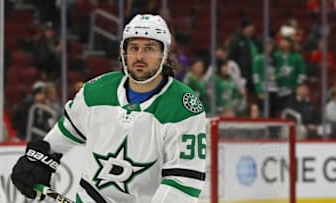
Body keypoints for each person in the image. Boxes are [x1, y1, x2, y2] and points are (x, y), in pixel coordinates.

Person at [11, 14, 207, 203]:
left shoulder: (183, 107)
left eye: (149, 48)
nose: (139, 56)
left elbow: (184, 179)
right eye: (133, 47)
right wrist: (39, 160)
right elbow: (68, 131)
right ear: (123, 51)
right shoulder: (95, 92)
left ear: (164, 54)